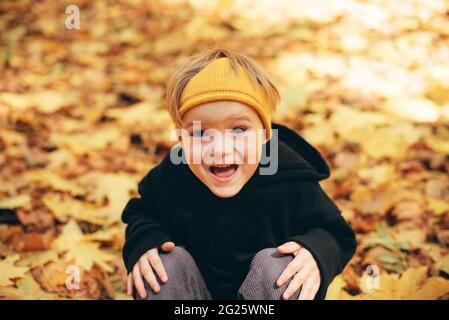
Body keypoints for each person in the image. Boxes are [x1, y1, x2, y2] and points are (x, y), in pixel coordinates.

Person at [121, 47, 357, 300]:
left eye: (239, 130)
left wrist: (317, 252)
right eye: (200, 133)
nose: (220, 150)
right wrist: (146, 241)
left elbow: (336, 233)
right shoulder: (173, 176)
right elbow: (142, 212)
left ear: (265, 135)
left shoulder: (289, 180)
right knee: (163, 264)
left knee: (285, 267)